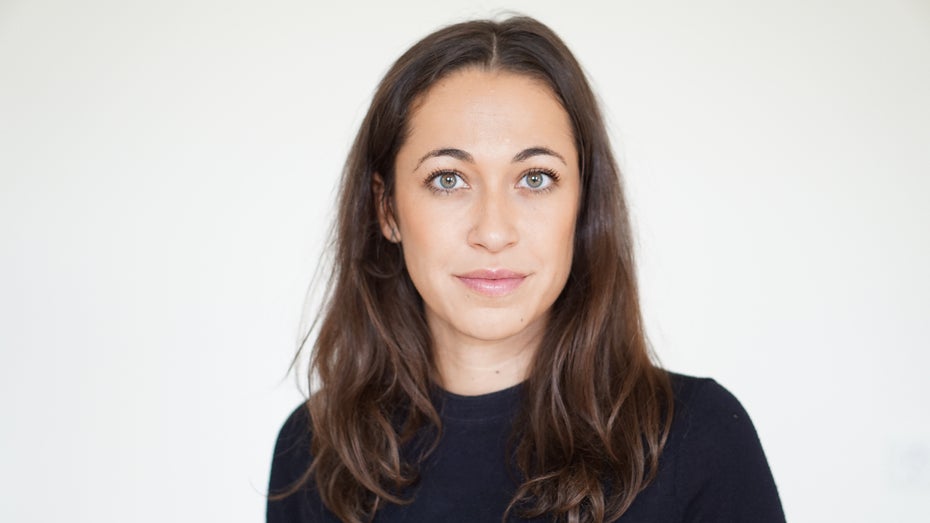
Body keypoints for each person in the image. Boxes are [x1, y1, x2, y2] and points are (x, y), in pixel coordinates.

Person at [267, 15, 785, 523]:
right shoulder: (314, 450)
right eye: (448, 179)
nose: (493, 232)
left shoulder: (697, 438)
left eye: (535, 178)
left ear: (583, 204)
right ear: (387, 210)